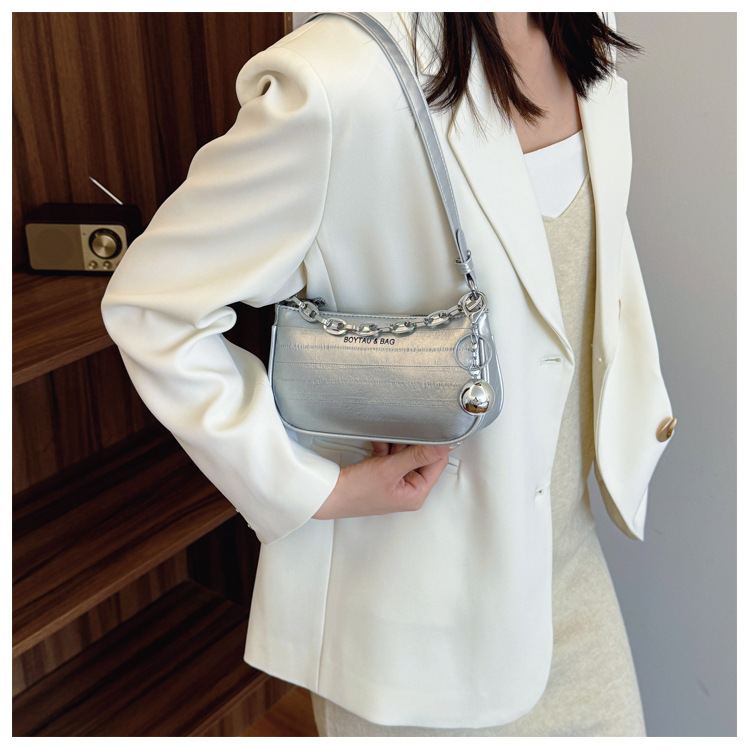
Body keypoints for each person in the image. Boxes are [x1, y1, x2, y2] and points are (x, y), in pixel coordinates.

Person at [101, 12, 676, 737]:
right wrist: (310, 489)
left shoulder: (585, 27)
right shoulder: (340, 77)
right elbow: (154, 306)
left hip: (569, 573)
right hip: (416, 627)